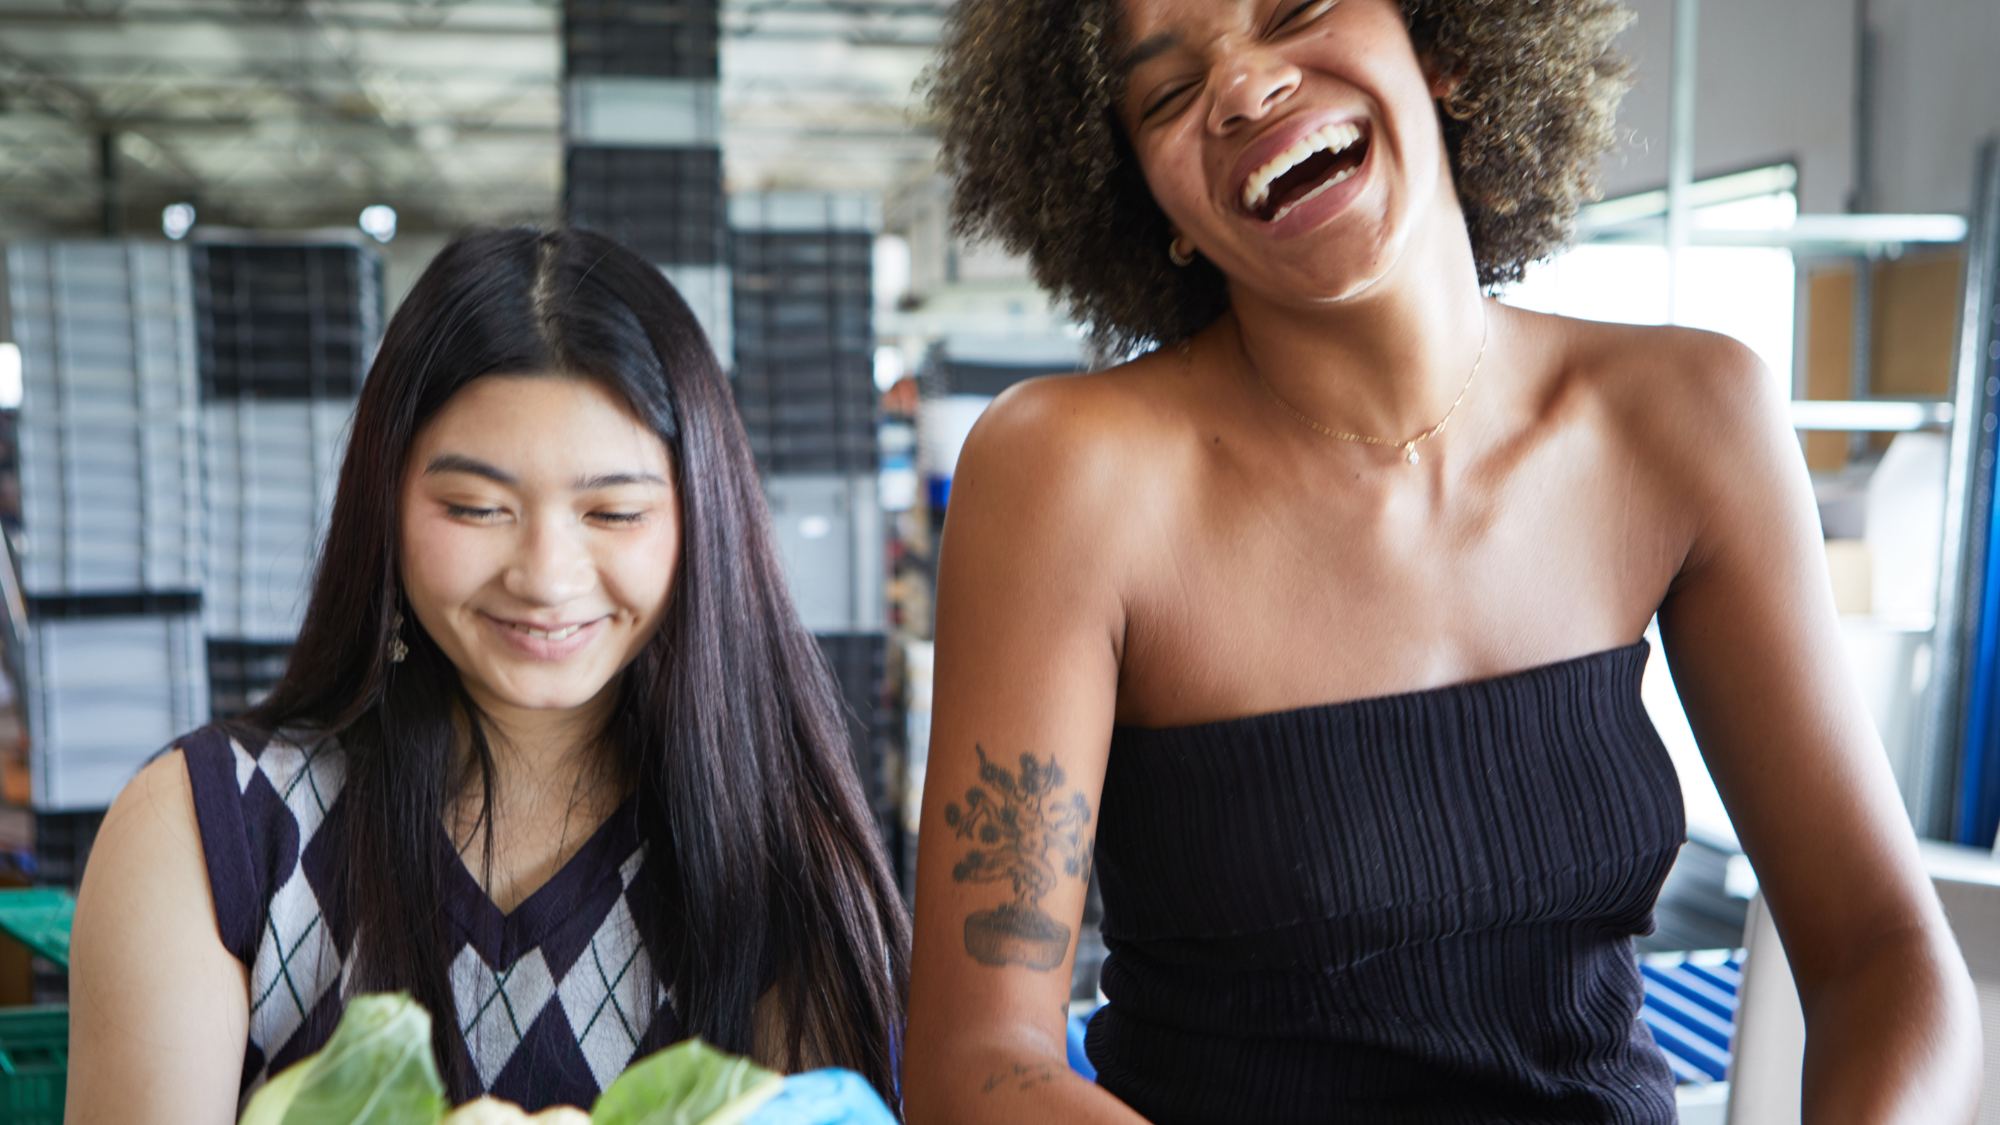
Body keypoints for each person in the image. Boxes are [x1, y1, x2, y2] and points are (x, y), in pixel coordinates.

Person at [903, 0, 1982, 1122]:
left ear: (1447, 50)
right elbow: (977, 1062)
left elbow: (1881, 951)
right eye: (1168, 92)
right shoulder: (1067, 478)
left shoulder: (1685, 420)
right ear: (1152, 206)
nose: (1239, 87)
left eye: (1296, 10)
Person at [68, 227, 909, 1122]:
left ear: (700, 519)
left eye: (613, 510)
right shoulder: (213, 833)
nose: (546, 576)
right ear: (383, 503)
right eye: (476, 507)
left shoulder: (775, 861)